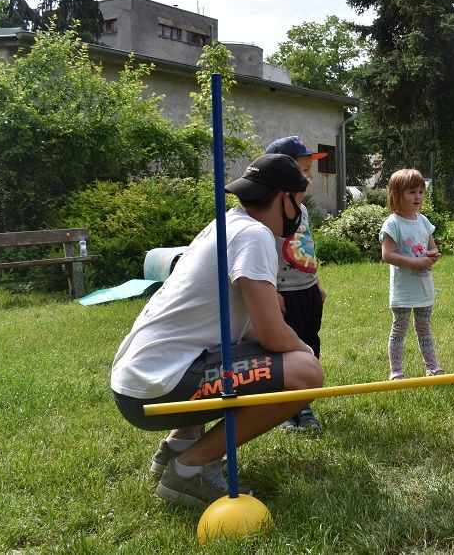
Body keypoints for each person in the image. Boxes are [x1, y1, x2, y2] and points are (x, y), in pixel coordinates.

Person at [110, 153, 324, 508]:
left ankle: (175, 450)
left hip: (136, 382)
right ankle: (189, 470)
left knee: (233, 357)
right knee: (305, 373)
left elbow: (249, 330)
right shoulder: (255, 235)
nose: (300, 214)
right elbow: (271, 336)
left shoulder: (227, 224)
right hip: (156, 388)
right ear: (285, 198)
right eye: (299, 201)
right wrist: (303, 350)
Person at [264, 136, 327, 431]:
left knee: (309, 344)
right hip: (283, 291)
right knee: (283, 352)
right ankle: (280, 410)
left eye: (308, 170)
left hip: (307, 288)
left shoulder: (301, 210)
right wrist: (270, 290)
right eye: (302, 171)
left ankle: (303, 404)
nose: (309, 178)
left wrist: (317, 283)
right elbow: (263, 254)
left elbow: (307, 246)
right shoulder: (268, 212)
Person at [379, 168, 446, 380]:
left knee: (424, 327)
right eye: (411, 192)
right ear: (396, 195)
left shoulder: (423, 221)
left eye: (420, 191)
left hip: (423, 287)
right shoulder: (393, 223)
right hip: (403, 290)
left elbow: (431, 246)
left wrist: (433, 255)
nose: (418, 196)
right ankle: (396, 371)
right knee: (400, 328)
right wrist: (416, 262)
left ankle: (432, 367)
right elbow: (387, 255)